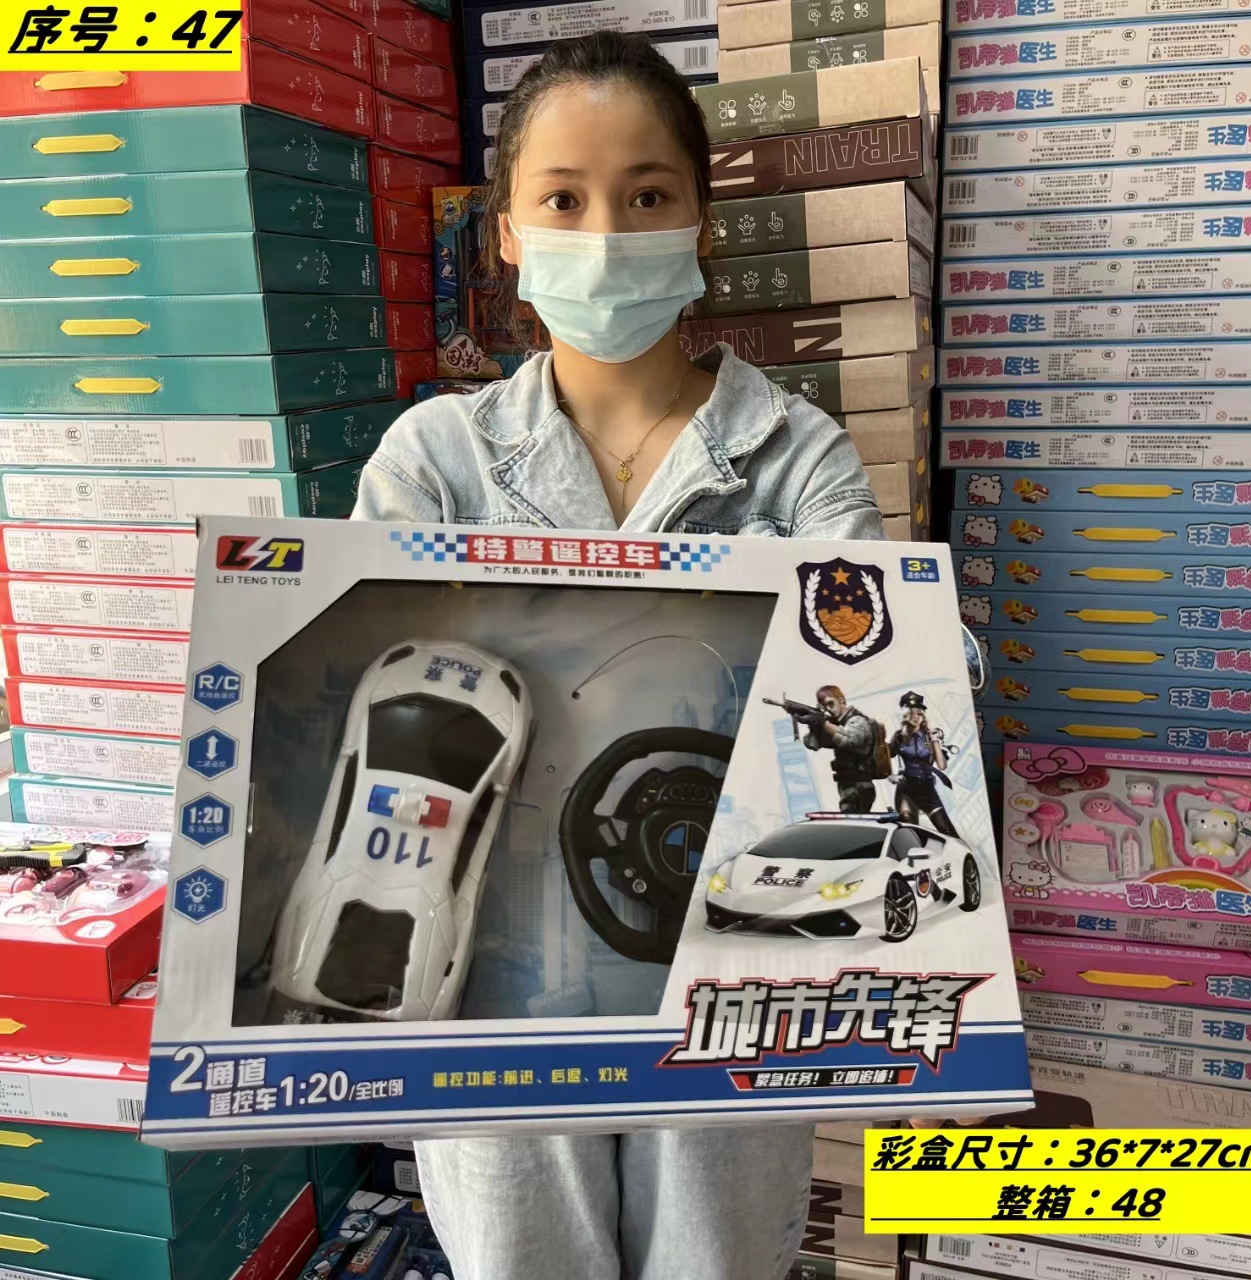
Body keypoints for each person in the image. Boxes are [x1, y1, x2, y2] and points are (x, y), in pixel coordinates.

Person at [352, 30, 883, 1280]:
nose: (604, 233)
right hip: (489, 965)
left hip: (731, 964)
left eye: (646, 196)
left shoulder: (797, 456)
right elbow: (359, 693)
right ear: (504, 232)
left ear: (699, 220)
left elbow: (884, 688)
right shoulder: (435, 460)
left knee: (717, 1255)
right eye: (562, 199)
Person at [802, 686, 886, 815]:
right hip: (847, 785)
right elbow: (812, 744)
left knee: (853, 821)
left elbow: (849, 739)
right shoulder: (836, 724)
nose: (829, 709)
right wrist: (813, 725)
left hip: (859, 786)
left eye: (831, 704)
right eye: (825, 707)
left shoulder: (858, 721)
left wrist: (824, 724)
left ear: (841, 700)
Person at [888, 691, 960, 838]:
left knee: (948, 832)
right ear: (905, 715)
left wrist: (935, 741)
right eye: (911, 713)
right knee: (910, 833)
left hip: (927, 790)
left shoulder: (929, 735)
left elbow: (942, 765)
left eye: (919, 713)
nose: (916, 717)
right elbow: (883, 756)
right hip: (906, 789)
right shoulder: (899, 737)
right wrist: (890, 776)